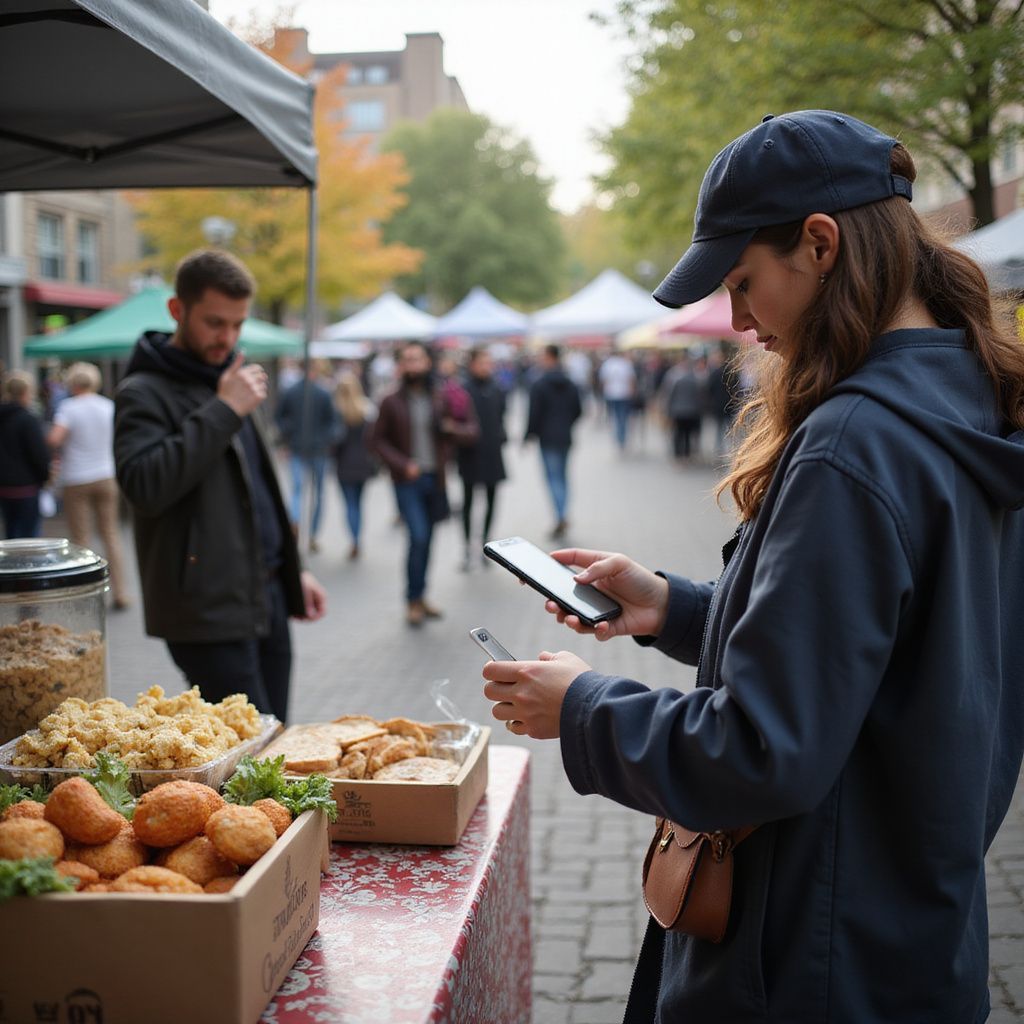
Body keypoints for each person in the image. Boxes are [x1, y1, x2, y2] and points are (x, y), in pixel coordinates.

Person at [480, 110, 1024, 1023]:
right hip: (910, 926)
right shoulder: (972, 400)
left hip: (804, 954)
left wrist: (581, 708)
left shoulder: (854, 443)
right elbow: (882, 654)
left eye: (743, 282)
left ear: (819, 244)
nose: (738, 321)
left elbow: (765, 751)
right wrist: (676, 609)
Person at [114, 249, 326, 723]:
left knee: (276, 739)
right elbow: (144, 486)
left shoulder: (230, 380)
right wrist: (224, 410)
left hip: (264, 595)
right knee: (249, 757)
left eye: (236, 324)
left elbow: (260, 494)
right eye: (214, 322)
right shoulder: (143, 391)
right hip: (204, 610)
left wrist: (295, 571)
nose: (226, 337)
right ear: (177, 310)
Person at [370, 341, 477, 626]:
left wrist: (451, 428)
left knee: (428, 539)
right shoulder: (390, 400)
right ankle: (412, 600)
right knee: (417, 536)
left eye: (417, 359)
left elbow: (470, 430)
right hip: (407, 482)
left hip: (436, 479)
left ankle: (421, 596)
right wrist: (402, 464)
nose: (412, 365)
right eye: (407, 360)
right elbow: (375, 440)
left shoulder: (440, 397)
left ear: (427, 363)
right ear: (400, 366)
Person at [47, 362, 131, 608]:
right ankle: (120, 592)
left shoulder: (68, 408)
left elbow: (55, 439)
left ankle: (88, 595)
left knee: (82, 538)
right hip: (106, 474)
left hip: (77, 478)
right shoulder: (108, 406)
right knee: (111, 534)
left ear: (73, 383)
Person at [274, 360, 340, 554]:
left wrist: (288, 434)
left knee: (300, 491)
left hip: (306, 448)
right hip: (310, 449)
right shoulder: (320, 392)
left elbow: (280, 418)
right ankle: (310, 533)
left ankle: (300, 527)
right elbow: (334, 422)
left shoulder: (295, 391)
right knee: (314, 493)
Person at [456, 346, 507, 569]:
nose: (487, 366)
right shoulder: (463, 389)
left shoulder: (496, 388)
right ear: (472, 364)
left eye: (489, 362)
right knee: (467, 502)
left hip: (492, 453)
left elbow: (501, 415)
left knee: (491, 500)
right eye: (483, 362)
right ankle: (467, 548)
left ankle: (487, 545)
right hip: (469, 454)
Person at [524, 344, 582, 540]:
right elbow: (578, 410)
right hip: (565, 436)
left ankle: (560, 515)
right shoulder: (570, 382)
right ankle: (563, 512)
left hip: (547, 438)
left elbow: (533, 413)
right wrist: (566, 424)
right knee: (563, 477)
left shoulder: (539, 384)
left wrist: (529, 434)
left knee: (553, 479)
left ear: (549, 357)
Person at [332, 370, 377, 560]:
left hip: (344, 465)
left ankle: (354, 538)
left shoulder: (336, 412)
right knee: (358, 503)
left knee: (350, 503)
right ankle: (357, 538)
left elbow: (334, 443)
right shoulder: (366, 409)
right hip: (363, 464)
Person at [0, 370, 50, 539]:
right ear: (25, 393)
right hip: (26, 487)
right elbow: (38, 454)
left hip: (4, 487)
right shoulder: (27, 419)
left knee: (11, 533)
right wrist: (45, 477)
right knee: (29, 538)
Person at [598, 350, 636, 451]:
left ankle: (619, 436)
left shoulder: (607, 364)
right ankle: (621, 437)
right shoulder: (626, 363)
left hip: (611, 394)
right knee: (622, 417)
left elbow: (603, 380)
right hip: (624, 394)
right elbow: (631, 379)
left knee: (614, 416)